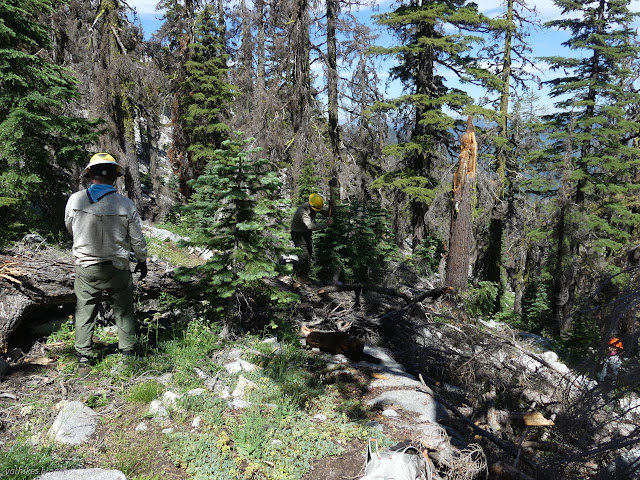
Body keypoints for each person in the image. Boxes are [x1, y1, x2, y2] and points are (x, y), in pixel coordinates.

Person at [65, 152, 147, 376]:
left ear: (90, 174)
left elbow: (70, 227)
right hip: (117, 266)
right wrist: (142, 260)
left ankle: (84, 358)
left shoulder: (75, 200)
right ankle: (128, 354)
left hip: (86, 266)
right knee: (124, 310)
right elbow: (137, 239)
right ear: (115, 177)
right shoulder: (125, 204)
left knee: (85, 310)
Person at [290, 193, 332, 281]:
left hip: (306, 233)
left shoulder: (315, 205)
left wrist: (331, 207)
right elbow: (310, 226)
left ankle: (305, 276)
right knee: (303, 255)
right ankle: (300, 277)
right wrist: (325, 224)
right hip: (298, 234)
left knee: (309, 254)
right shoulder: (303, 211)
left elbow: (325, 213)